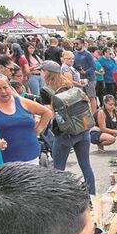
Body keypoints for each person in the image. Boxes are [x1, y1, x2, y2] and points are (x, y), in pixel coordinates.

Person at [40, 60, 96, 195]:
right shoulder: (69, 84)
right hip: (82, 129)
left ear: (47, 72)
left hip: (64, 133)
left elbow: (49, 113)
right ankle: (93, 195)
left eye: (42, 71)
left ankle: (62, 198)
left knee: (59, 169)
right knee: (85, 164)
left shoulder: (46, 90)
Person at [0, 73, 52, 164]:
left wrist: (38, 129)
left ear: (10, 87)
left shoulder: (21, 101)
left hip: (31, 153)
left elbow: (47, 112)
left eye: (5, 87)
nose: (3, 91)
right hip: (5, 158)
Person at [74, 38, 98, 112]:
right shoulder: (75, 53)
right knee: (82, 98)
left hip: (89, 79)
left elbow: (93, 67)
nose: (75, 45)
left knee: (91, 97)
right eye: (74, 44)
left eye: (77, 44)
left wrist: (86, 72)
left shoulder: (87, 54)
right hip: (79, 80)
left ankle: (94, 114)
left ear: (82, 44)